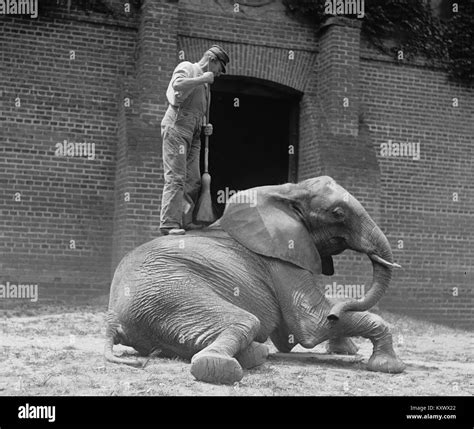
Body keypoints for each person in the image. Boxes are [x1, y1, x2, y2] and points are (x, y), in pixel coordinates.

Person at [159, 45, 230, 236]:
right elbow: (177, 86)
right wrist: (201, 78)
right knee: (176, 177)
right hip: (178, 126)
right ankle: (169, 223)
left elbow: (198, 109)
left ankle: (186, 220)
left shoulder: (207, 87)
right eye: (219, 68)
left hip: (195, 132)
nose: (219, 74)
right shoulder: (188, 67)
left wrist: (204, 126)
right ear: (212, 60)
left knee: (193, 179)